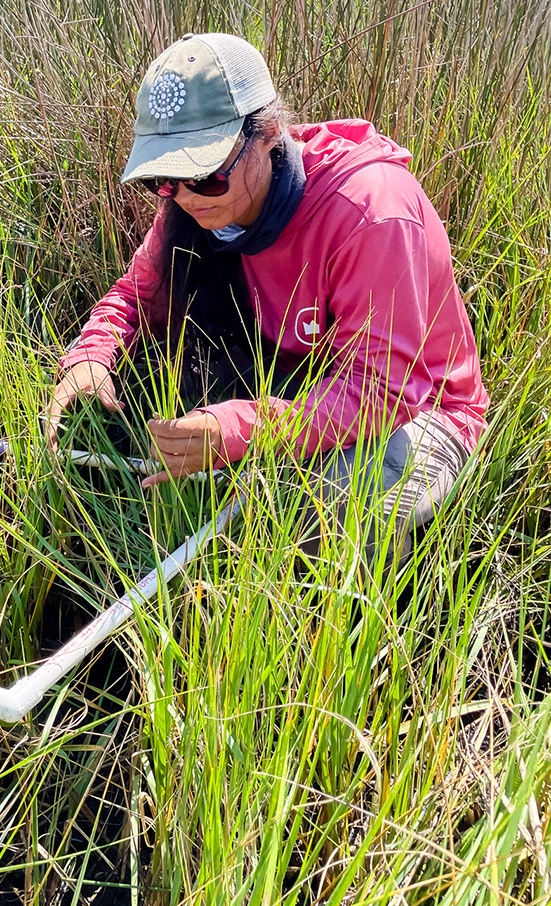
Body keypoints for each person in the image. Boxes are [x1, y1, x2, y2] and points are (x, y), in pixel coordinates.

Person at [47, 33, 488, 563]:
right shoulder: (195, 209)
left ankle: (328, 634)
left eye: (204, 176)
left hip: (419, 408)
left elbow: (382, 392)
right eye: (163, 180)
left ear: (269, 134)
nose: (184, 197)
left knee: (327, 508)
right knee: (115, 411)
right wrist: (90, 359)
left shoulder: (369, 214)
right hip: (302, 376)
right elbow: (134, 297)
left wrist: (237, 430)